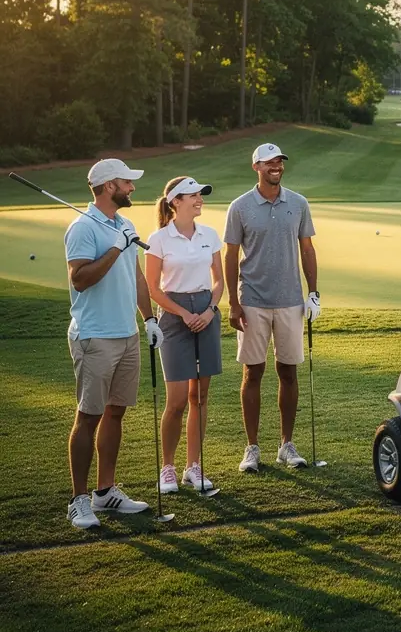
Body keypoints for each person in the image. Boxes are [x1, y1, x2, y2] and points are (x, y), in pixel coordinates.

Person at [64, 158, 163, 529]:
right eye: (126, 183)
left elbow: (135, 275)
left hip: (126, 334)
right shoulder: (82, 228)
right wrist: (116, 248)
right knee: (89, 416)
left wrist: (149, 318)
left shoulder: (125, 224)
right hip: (95, 335)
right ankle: (78, 499)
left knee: (116, 411)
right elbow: (81, 279)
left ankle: (105, 492)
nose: (132, 188)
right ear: (109, 187)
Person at [224, 143, 319, 473]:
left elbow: (307, 249)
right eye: (269, 162)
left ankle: (286, 445)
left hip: (291, 301)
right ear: (256, 168)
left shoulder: (298, 203)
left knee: (288, 372)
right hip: (252, 302)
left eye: (279, 160)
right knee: (253, 373)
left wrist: (314, 293)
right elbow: (230, 256)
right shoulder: (240, 207)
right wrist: (233, 304)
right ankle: (251, 448)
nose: (276, 166)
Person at [145, 176, 224, 494]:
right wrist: (185, 314)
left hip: (206, 312)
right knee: (177, 400)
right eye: (194, 195)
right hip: (175, 317)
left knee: (200, 397)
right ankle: (168, 468)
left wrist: (208, 312)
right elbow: (153, 288)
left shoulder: (210, 234)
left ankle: (194, 467)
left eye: (201, 195)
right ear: (175, 201)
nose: (200, 199)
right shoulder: (159, 238)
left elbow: (218, 281)